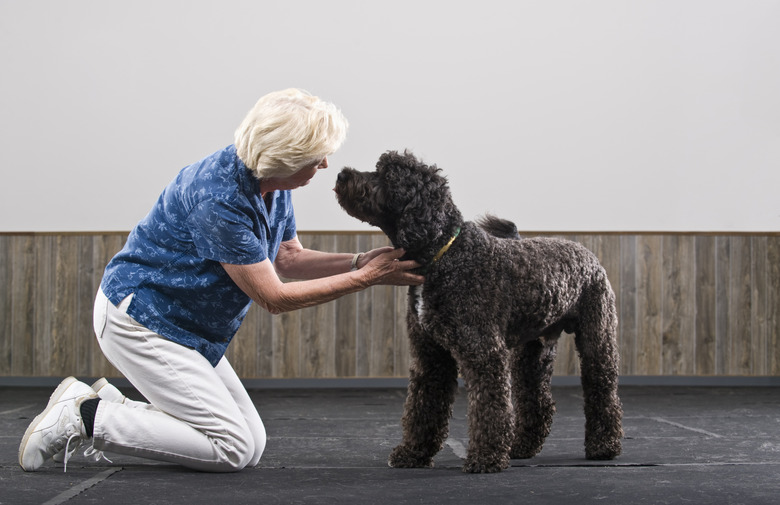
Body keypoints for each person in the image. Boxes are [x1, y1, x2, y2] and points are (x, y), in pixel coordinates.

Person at [19, 88, 423, 473]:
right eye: (316, 158)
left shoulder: (272, 183)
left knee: (252, 443)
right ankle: (83, 418)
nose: (324, 166)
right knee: (233, 447)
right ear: (284, 158)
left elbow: (287, 256)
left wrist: (357, 262)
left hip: (185, 328)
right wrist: (367, 279)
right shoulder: (219, 199)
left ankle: (103, 404)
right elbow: (275, 297)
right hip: (140, 321)